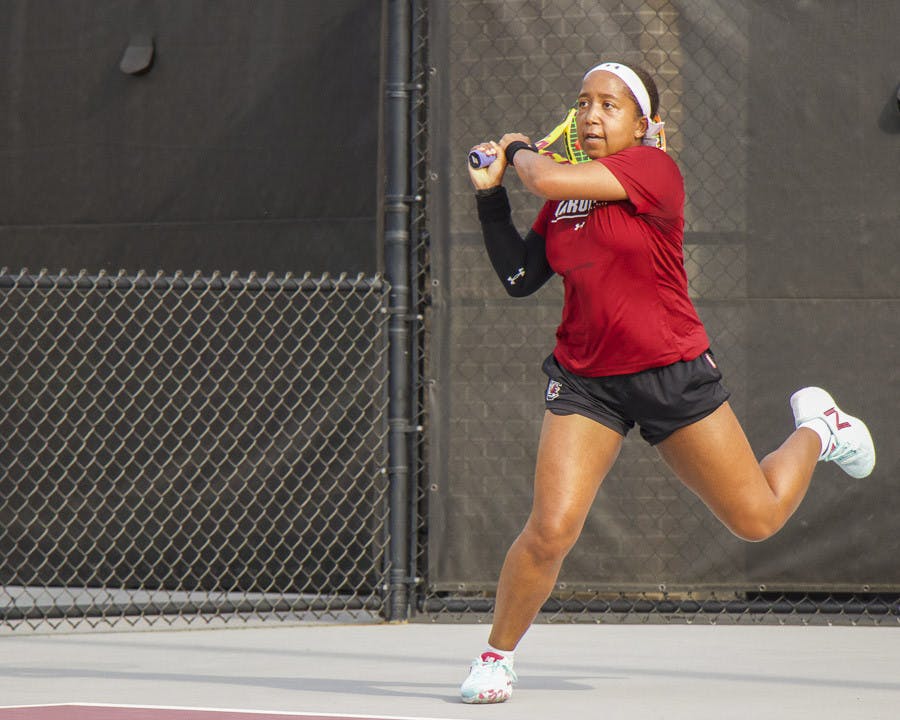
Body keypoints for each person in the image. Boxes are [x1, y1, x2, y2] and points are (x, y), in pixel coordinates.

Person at [459, 60, 876, 705]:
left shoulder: (654, 172)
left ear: (644, 124)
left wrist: (516, 150)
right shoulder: (566, 199)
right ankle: (496, 655)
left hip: (671, 372)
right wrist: (490, 197)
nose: (593, 115)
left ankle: (820, 429)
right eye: (584, 103)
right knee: (550, 530)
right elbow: (520, 278)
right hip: (585, 381)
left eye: (610, 105)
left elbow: (538, 174)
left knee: (757, 519)